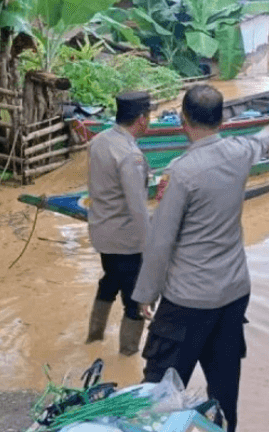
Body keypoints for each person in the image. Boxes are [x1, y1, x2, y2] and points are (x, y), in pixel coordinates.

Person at [132, 85, 269, 432]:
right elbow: (262, 140)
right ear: (222, 118)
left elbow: (160, 240)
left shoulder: (182, 172)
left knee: (158, 390)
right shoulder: (241, 152)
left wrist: (145, 294)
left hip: (188, 299)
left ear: (184, 120)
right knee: (224, 387)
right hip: (234, 292)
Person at [86, 91, 152, 355]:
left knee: (110, 280)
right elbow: (138, 208)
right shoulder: (129, 156)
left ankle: (93, 338)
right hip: (126, 240)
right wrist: (152, 249)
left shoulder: (98, 141)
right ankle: (127, 355)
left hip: (102, 233)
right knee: (135, 301)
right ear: (141, 120)